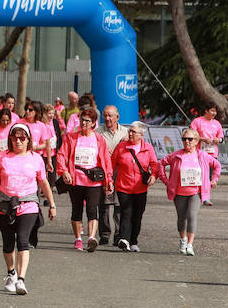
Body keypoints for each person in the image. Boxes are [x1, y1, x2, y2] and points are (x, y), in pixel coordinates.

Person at [0, 124, 56, 295]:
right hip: (5, 204)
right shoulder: (3, 157)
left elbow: (43, 182)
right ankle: (11, 273)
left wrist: (52, 204)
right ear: (10, 139)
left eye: (22, 138)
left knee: (23, 241)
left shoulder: (36, 158)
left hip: (29, 204)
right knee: (8, 243)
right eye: (14, 137)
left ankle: (21, 280)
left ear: (28, 140)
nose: (18, 141)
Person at [57, 107, 113, 252]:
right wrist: (64, 171)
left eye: (87, 120)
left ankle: (91, 238)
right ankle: (78, 239)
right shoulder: (71, 137)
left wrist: (109, 179)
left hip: (94, 181)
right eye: (82, 119)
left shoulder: (99, 139)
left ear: (94, 123)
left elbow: (106, 161)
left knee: (92, 209)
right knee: (76, 210)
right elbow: (61, 155)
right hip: (75, 180)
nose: (84, 123)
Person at [160, 128, 220, 256]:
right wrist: (166, 181)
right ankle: (183, 240)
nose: (187, 141)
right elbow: (161, 164)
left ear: (196, 141)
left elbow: (217, 165)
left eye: (190, 139)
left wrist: (214, 179)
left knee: (192, 216)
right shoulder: (176, 155)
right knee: (182, 219)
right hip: (179, 192)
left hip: (196, 192)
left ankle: (190, 244)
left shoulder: (202, 155)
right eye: (184, 139)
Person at [112, 121, 162, 252]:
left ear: (141, 135)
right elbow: (112, 163)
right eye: (130, 131)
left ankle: (133, 241)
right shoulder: (121, 147)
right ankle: (124, 239)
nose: (130, 133)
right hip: (123, 186)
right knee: (126, 212)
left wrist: (154, 176)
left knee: (137, 215)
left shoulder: (148, 148)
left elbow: (155, 165)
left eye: (133, 131)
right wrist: (108, 180)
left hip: (140, 188)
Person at [97, 105, 128, 242]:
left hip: (120, 172)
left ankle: (118, 234)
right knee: (103, 204)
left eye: (110, 115)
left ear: (117, 117)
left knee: (119, 205)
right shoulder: (97, 133)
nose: (107, 118)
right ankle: (104, 234)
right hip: (103, 171)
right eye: (105, 115)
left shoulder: (126, 133)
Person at [190, 102, 223, 206]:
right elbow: (191, 135)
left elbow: (222, 138)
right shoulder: (197, 121)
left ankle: (206, 197)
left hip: (212, 153)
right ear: (206, 111)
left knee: (208, 176)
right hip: (198, 153)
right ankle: (196, 195)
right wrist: (203, 139)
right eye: (212, 111)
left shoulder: (217, 123)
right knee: (199, 175)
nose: (214, 113)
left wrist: (218, 139)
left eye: (215, 111)